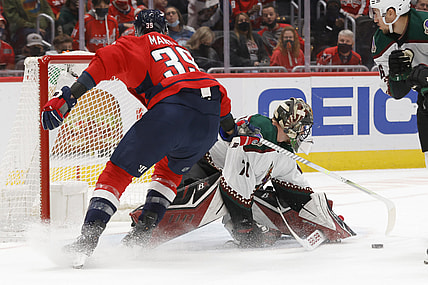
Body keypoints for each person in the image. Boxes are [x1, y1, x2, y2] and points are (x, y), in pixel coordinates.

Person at [41, 9, 236, 264]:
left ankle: (87, 240)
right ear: (165, 29)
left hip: (172, 110)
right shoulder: (182, 51)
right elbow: (221, 105)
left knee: (117, 173)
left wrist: (69, 97)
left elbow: (103, 62)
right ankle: (142, 235)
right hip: (209, 114)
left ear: (138, 29)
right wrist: (232, 132)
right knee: (169, 172)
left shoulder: (135, 42)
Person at [184, 98, 354, 247]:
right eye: (302, 127)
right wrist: (245, 229)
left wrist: (324, 220)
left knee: (271, 204)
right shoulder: (259, 132)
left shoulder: (283, 151)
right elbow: (235, 183)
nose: (304, 133)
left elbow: (297, 191)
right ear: (290, 124)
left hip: (226, 178)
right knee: (180, 197)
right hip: (198, 165)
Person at [369, 2, 428, 169]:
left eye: (376, 13)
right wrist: (396, 78)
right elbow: (396, 92)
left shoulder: (425, 25)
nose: (374, 20)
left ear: (390, 13)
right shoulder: (381, 41)